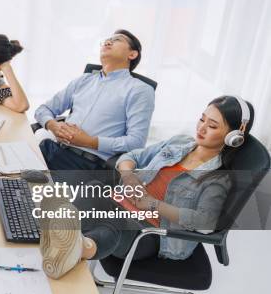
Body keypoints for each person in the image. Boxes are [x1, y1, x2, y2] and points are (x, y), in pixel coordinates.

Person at [40, 96, 254, 279]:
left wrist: (152, 204)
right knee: (95, 188)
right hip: (122, 204)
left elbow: (205, 223)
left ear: (233, 136)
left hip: (152, 235)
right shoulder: (179, 143)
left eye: (213, 126)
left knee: (112, 218)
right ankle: (67, 243)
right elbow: (130, 156)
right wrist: (129, 176)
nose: (202, 128)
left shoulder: (218, 178)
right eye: (202, 119)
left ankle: (72, 245)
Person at [34, 29, 155, 172]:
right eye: (106, 41)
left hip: (84, 166)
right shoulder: (83, 80)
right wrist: (52, 125)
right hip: (52, 149)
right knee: (6, 170)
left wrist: (90, 142)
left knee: (24, 188)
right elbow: (43, 110)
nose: (108, 42)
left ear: (132, 54)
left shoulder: (140, 90)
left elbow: (136, 142)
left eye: (117, 40)